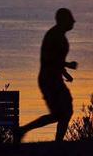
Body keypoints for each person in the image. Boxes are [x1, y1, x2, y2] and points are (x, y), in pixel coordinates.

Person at [16, 8, 78, 143]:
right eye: (70, 19)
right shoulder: (54, 36)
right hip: (49, 80)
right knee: (63, 112)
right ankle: (26, 131)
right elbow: (49, 59)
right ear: (63, 21)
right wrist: (68, 65)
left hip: (54, 79)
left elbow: (55, 60)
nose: (73, 22)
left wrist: (65, 73)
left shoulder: (59, 36)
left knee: (63, 112)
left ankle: (25, 131)